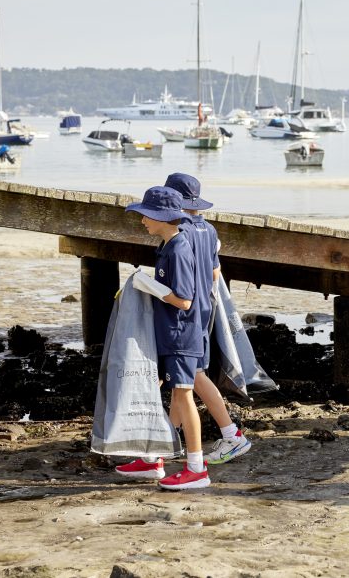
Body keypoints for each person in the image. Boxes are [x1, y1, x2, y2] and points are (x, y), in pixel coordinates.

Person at [116, 186, 211, 490]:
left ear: (162, 217)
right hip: (171, 334)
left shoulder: (180, 248)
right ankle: (155, 458)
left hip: (181, 336)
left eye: (146, 215)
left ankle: (196, 468)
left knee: (184, 397)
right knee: (175, 395)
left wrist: (150, 286)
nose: (142, 220)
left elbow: (184, 300)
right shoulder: (168, 245)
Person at [164, 172, 251, 465]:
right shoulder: (209, 230)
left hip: (184, 313)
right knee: (184, 379)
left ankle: (231, 434)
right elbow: (216, 274)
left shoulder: (180, 232)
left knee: (192, 377)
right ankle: (168, 439)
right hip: (205, 308)